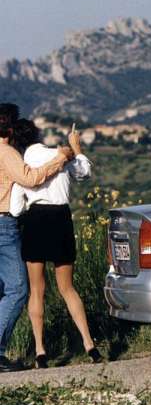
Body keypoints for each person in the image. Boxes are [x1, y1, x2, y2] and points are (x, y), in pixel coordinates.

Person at [10, 120, 102, 368]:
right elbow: (84, 173)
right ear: (38, 135)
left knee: (37, 290)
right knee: (67, 288)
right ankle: (89, 344)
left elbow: (16, 208)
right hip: (61, 218)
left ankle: (40, 351)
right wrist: (77, 147)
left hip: (36, 221)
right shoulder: (60, 156)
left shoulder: (24, 164)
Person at [0, 107, 73, 373]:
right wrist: (62, 158)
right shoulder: (6, 153)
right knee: (18, 289)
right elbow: (29, 179)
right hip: (4, 224)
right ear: (8, 128)